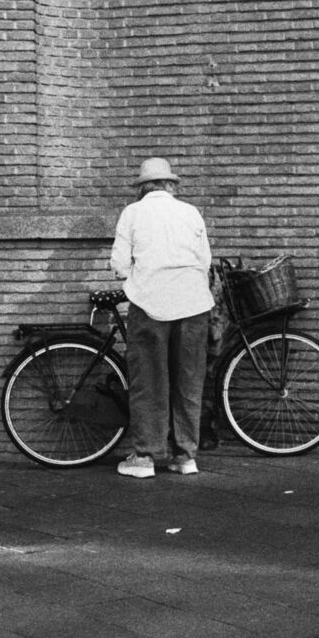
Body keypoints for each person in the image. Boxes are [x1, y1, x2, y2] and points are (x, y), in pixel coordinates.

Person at [110, 157, 215, 478]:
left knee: (150, 380)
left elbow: (119, 264)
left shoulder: (132, 213)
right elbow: (205, 260)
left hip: (150, 305)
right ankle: (185, 456)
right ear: (171, 186)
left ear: (143, 188)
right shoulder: (190, 212)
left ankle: (145, 457)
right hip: (193, 304)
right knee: (189, 380)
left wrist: (134, 278)